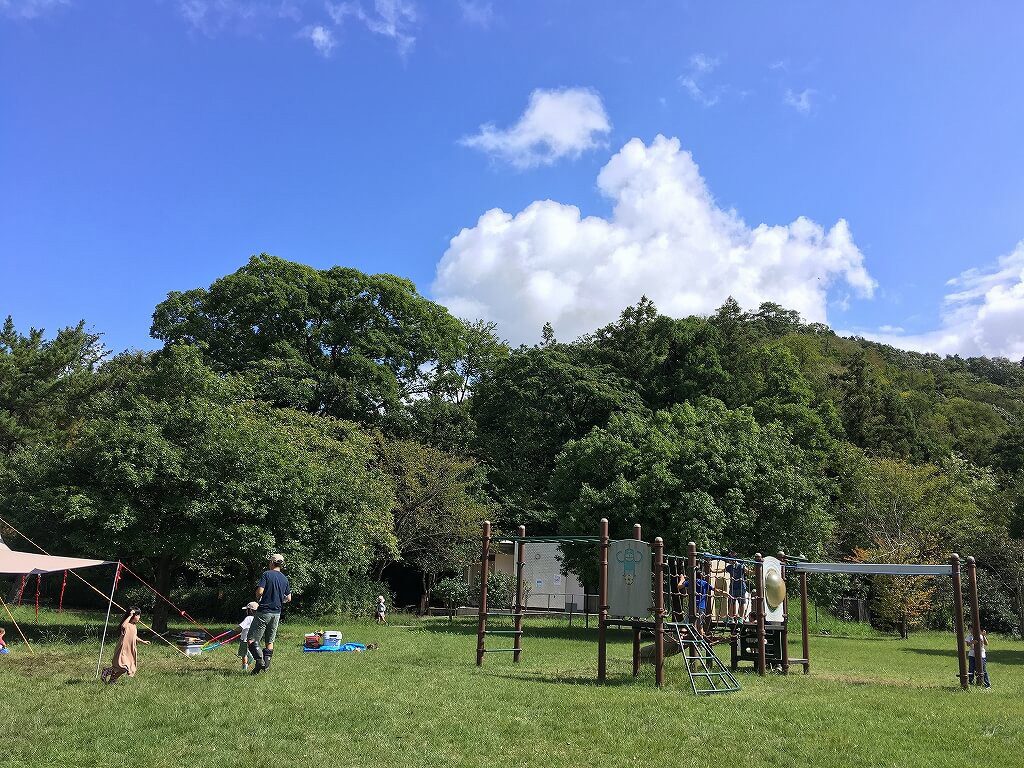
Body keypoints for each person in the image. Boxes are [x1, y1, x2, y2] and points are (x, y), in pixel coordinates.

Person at [248, 553, 291, 675]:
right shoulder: (284, 578)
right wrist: (278, 600)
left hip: (264, 612)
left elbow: (260, 591)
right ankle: (265, 668)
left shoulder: (267, 574)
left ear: (272, 563)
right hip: (276, 613)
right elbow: (289, 598)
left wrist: (258, 597)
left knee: (251, 639)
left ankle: (259, 660)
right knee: (270, 641)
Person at [100, 607, 149, 683]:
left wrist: (143, 641)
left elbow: (134, 637)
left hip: (130, 650)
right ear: (133, 615)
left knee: (125, 668)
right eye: (138, 615)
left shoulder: (134, 626)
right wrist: (130, 615)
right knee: (122, 666)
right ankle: (107, 671)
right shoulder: (127, 624)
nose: (139, 617)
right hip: (123, 650)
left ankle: (112, 679)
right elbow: (123, 626)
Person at [237, 601, 258, 672]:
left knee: (244, 654)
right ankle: (251, 657)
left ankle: (244, 669)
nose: (246, 611)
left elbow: (241, 627)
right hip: (254, 639)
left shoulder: (248, 618)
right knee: (249, 650)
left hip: (245, 639)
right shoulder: (257, 619)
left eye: (247, 609)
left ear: (250, 610)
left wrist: (233, 630)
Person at [725, 554, 746, 621]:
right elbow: (722, 570)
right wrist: (712, 570)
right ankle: (730, 617)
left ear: (733, 560)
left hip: (741, 587)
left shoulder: (741, 566)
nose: (728, 561)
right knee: (731, 601)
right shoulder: (729, 567)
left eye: (729, 560)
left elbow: (747, 571)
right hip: (733, 587)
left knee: (741, 602)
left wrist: (753, 571)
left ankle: (740, 618)